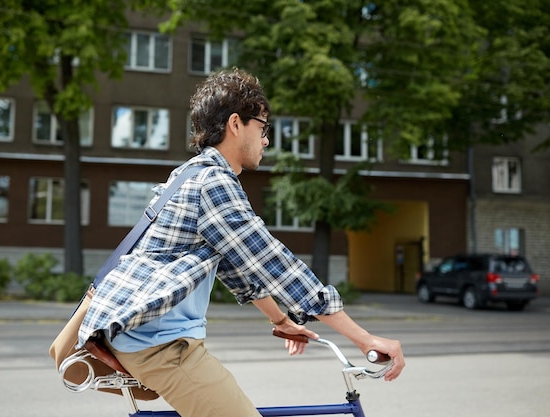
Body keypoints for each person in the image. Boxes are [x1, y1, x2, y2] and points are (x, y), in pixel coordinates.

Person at [78, 68, 404, 417]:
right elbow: (273, 263)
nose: (266, 140)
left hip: (143, 334)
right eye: (262, 128)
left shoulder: (190, 173)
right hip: (158, 345)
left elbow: (239, 266)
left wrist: (280, 320)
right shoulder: (214, 183)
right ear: (236, 124)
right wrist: (364, 339)